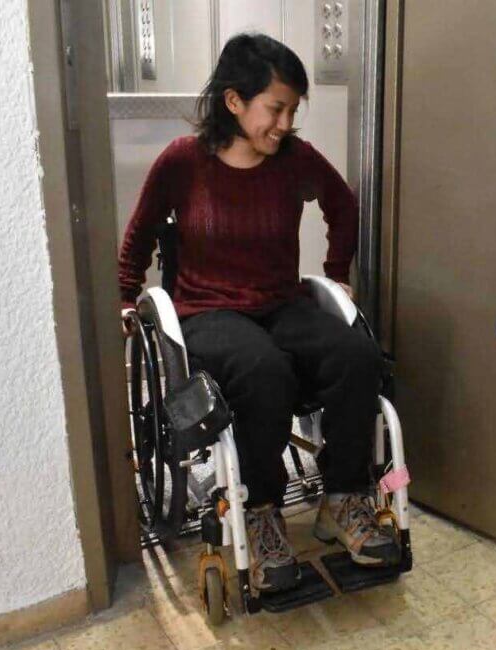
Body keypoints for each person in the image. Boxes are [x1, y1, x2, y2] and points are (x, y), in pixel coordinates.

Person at [118, 33, 398, 592]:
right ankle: (260, 510)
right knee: (263, 371)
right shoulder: (183, 161)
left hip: (280, 302)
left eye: (294, 109)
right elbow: (140, 232)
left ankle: (342, 499)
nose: (286, 122)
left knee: (355, 354)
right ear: (234, 102)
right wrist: (129, 295)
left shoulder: (294, 160)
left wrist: (338, 271)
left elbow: (342, 205)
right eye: (277, 108)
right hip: (208, 312)